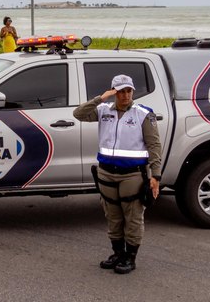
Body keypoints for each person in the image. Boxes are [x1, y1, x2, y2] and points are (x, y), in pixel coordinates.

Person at [72, 74, 162, 274]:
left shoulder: (143, 114)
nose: (125, 95)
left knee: (133, 216)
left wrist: (155, 175)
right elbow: (78, 114)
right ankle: (117, 253)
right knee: (112, 216)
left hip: (132, 175)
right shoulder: (103, 110)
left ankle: (130, 257)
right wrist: (101, 98)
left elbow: (154, 145)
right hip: (106, 173)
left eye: (129, 91)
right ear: (114, 92)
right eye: (121, 91)